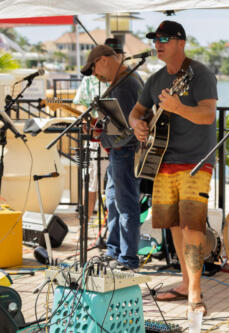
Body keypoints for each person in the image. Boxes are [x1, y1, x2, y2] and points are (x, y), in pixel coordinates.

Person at [129, 20, 217, 316]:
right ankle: (184, 282)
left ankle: (195, 291)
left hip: (196, 161)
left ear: (181, 42)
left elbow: (207, 115)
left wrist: (178, 107)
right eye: (155, 38)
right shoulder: (154, 80)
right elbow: (136, 112)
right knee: (176, 226)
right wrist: (138, 125)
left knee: (193, 224)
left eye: (164, 38)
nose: (158, 43)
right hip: (162, 161)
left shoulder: (200, 74)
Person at [80, 43, 144, 270]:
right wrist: (99, 127)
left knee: (125, 205)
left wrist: (99, 129)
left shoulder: (126, 84)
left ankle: (127, 258)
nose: (96, 75)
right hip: (119, 152)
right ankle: (115, 251)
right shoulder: (123, 81)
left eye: (94, 69)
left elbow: (128, 128)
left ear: (104, 60)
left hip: (124, 152)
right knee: (115, 204)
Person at [73, 37, 124, 222]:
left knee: (116, 186)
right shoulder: (90, 80)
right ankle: (86, 221)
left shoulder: (127, 79)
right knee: (92, 180)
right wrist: (88, 120)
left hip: (120, 142)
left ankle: (112, 225)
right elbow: (78, 103)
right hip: (96, 138)